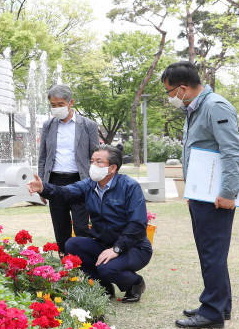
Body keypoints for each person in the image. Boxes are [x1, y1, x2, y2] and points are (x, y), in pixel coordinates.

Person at [161, 61, 239, 329]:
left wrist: (229, 192)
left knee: (211, 253)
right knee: (211, 251)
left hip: (216, 196)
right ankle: (221, 304)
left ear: (183, 88)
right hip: (202, 194)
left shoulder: (214, 106)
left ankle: (212, 313)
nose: (171, 98)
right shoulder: (195, 108)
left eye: (170, 92)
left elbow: (231, 151)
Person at [28, 145, 151, 302]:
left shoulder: (129, 187)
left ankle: (135, 283)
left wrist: (116, 249)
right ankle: (104, 287)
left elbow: (138, 224)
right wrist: (43, 188)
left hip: (134, 247)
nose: (93, 165)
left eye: (99, 162)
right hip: (104, 243)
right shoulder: (89, 185)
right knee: (73, 245)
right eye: (92, 161)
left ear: (112, 168)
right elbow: (65, 193)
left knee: (106, 268)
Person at [38, 84, 99, 253]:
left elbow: (96, 156)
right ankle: (65, 268)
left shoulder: (88, 125)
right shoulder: (48, 126)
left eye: (60, 104)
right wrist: (42, 186)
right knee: (60, 228)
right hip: (55, 181)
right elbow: (43, 157)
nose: (56, 108)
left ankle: (86, 267)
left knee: (81, 228)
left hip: (80, 181)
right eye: (53, 105)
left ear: (70, 102)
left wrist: (97, 183)